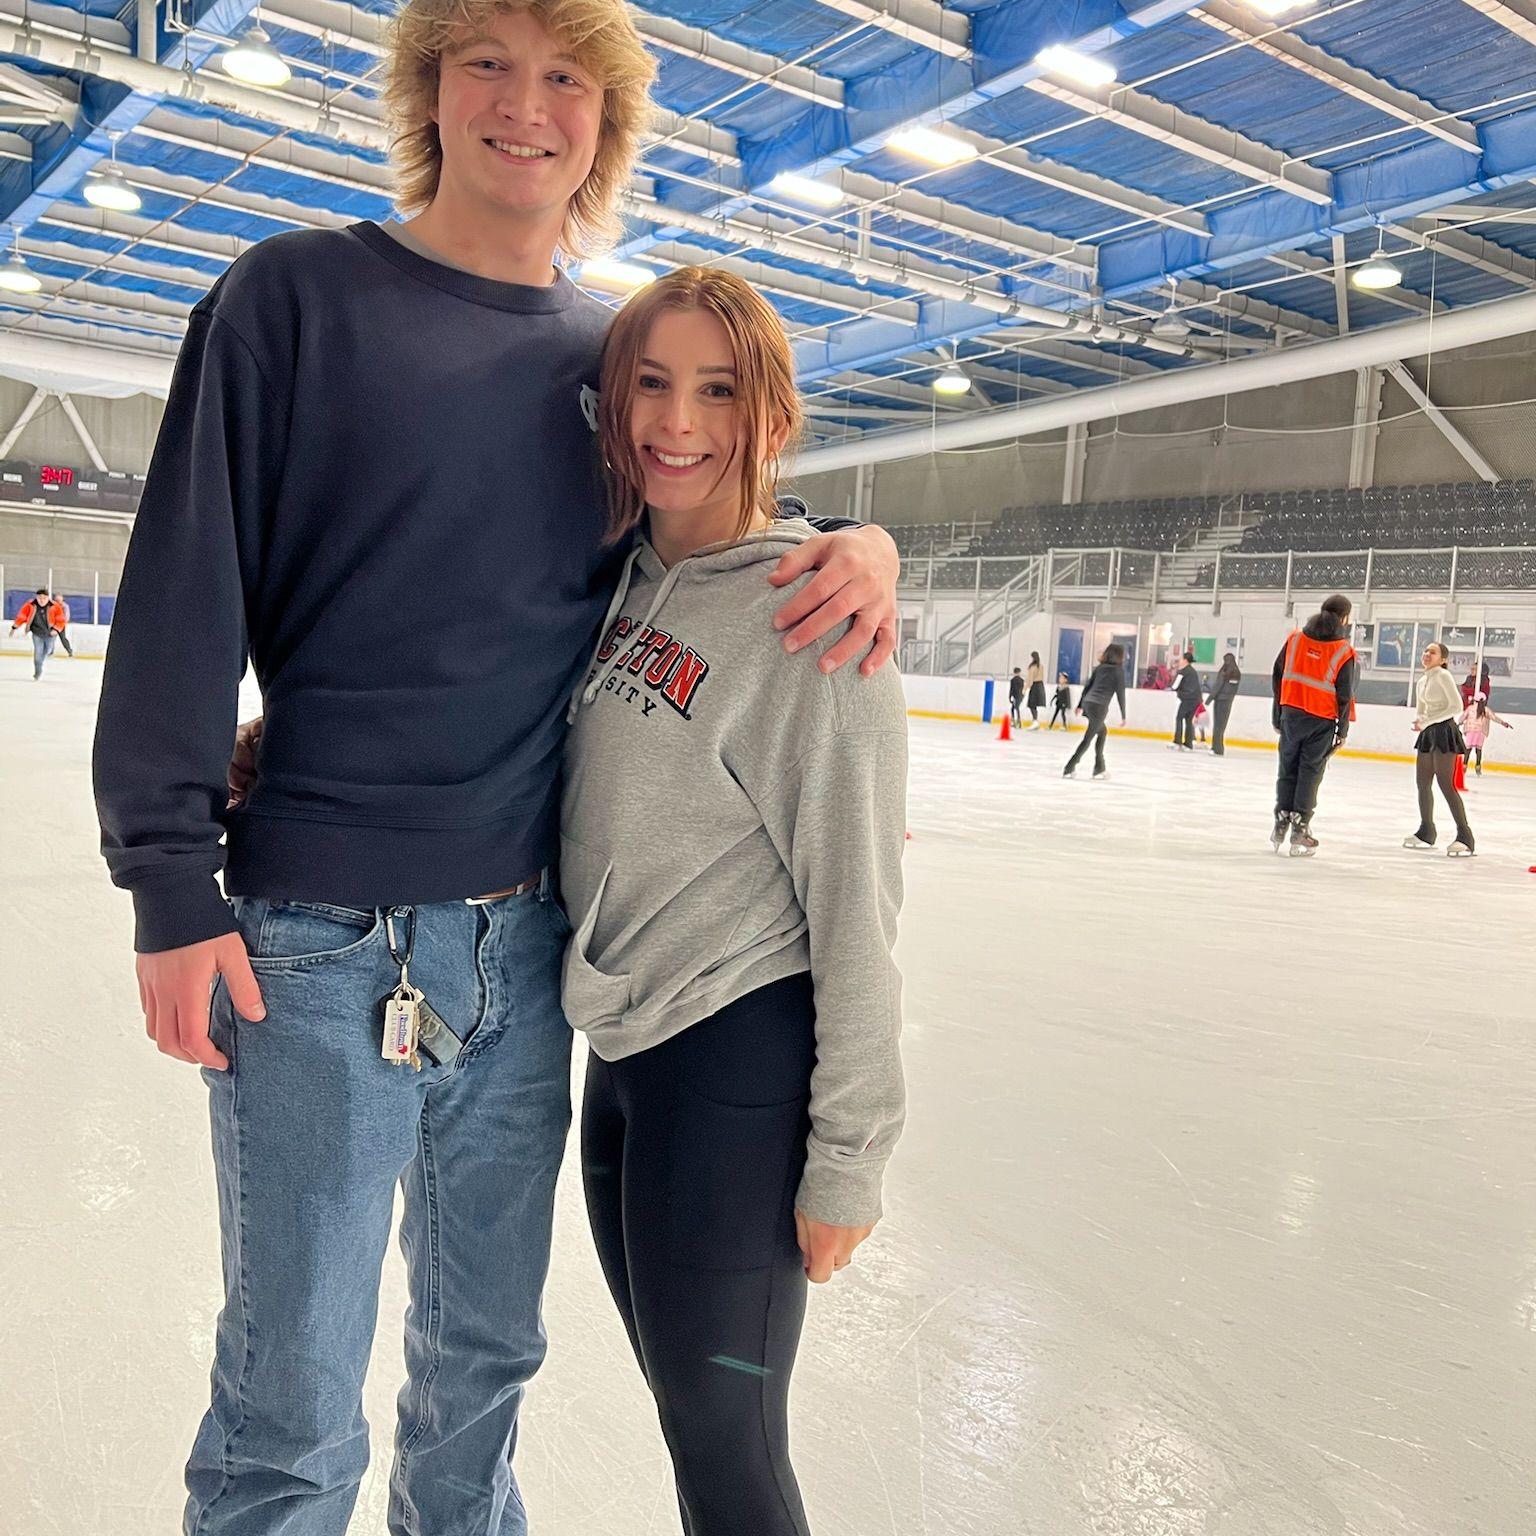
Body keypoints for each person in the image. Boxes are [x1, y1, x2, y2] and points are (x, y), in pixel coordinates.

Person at [91, 3, 901, 1531]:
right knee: (292, 1405)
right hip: (311, 946)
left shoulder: (610, 364)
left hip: (523, 953)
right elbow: (185, 594)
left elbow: (697, 534)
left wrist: (867, 539)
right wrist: (166, 878)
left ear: (606, 119)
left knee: (484, 1369)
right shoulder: (292, 301)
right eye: (488, 64)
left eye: (569, 78)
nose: (527, 107)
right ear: (427, 89)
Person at [568, 267, 907, 1535]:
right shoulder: (624, 576)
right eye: (651, 382)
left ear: (769, 413)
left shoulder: (813, 622)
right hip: (623, 1051)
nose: (677, 420)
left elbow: (860, 908)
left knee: (730, 1443)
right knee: (686, 1413)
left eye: (717, 388)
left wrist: (850, 1161)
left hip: (737, 1067)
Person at [1270, 592, 1357, 857]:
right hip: (1320, 720)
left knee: (1288, 767)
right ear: (1344, 618)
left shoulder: (1295, 639)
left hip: (1291, 715)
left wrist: (1278, 714)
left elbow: (1278, 677)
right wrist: (1342, 731)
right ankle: (1300, 829)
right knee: (1310, 772)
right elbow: (1345, 695)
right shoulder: (1344, 651)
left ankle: (1280, 822)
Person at [1403, 641, 1475, 856]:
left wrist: (1428, 721)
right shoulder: (1423, 679)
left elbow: (1456, 706)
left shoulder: (1443, 676)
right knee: (1422, 783)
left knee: (1445, 784)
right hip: (1428, 733)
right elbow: (1422, 709)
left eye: (1432, 652)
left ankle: (1465, 836)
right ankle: (1426, 830)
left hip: (1444, 732)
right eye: (1425, 651)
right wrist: (1420, 721)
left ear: (1443, 659)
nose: (1426, 654)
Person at [1063, 643, 1127, 780]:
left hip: (1088, 703)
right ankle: (1069, 767)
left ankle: (1099, 768)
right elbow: (1120, 693)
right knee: (1088, 738)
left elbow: (1088, 686)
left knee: (1102, 732)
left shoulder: (1099, 668)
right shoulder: (1118, 671)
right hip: (1099, 707)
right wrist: (1123, 715)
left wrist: (1080, 705)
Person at [9, 587, 64, 679]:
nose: (42, 600)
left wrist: (56, 629)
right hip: (37, 633)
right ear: (36, 597)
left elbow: (61, 620)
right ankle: (37, 672)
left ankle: (40, 663)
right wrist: (14, 627)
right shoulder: (30, 604)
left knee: (48, 650)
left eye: (44, 598)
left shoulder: (55, 606)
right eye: (40, 598)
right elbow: (22, 616)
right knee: (38, 654)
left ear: (48, 598)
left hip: (50, 633)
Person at [1458, 693, 1512, 775]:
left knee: (1468, 749)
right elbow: (1494, 717)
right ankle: (1478, 767)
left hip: (1470, 730)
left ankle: (1464, 766)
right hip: (1481, 731)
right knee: (1478, 750)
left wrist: (1459, 723)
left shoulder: (1470, 708)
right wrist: (1503, 723)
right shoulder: (1486, 710)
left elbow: (1462, 718)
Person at [1205, 652, 1242, 756]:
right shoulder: (1237, 673)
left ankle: (1216, 748)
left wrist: (1209, 699)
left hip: (1220, 700)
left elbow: (1218, 686)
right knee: (1222, 725)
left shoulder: (1225, 671)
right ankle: (1219, 748)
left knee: (1217, 725)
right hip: (1228, 701)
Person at [1171, 650, 1201, 750]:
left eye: (1181, 659)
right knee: (1189, 721)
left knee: (1179, 718)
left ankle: (1177, 741)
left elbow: (1175, 686)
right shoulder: (1193, 672)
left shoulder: (1183, 672)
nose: (1180, 661)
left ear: (1185, 660)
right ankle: (1188, 744)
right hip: (1195, 700)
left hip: (1187, 699)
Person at [1024, 650, 1046, 728]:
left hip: (1035, 686)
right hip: (1040, 685)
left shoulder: (1032, 667)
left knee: (1031, 704)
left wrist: (1025, 688)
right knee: (1034, 705)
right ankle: (1035, 721)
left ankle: (1035, 720)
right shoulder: (1041, 666)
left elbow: (1030, 679)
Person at [51, 592, 75, 657]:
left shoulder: (65, 606)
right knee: (51, 638)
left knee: (63, 638)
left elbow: (66, 617)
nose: (58, 602)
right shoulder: (52, 606)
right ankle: (50, 651)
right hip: (53, 624)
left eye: (59, 600)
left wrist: (62, 623)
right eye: (56, 600)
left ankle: (69, 650)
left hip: (61, 625)